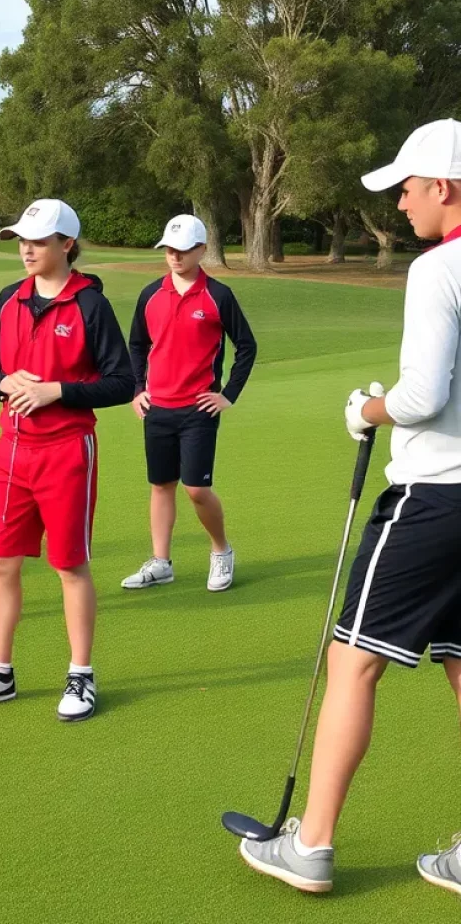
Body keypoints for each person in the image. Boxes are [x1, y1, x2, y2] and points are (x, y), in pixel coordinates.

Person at [238, 118, 461, 896]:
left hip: (434, 497)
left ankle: (312, 846)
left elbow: (424, 397)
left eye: (407, 187)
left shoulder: (439, 271)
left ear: (444, 188)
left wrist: (366, 409)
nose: (400, 203)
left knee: (354, 659)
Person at [0, 199, 134, 722]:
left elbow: (121, 382)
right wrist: (3, 382)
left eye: (38, 240)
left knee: (70, 565)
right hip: (11, 452)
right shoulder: (9, 300)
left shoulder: (92, 307)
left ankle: (80, 675)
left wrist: (58, 391)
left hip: (68, 451)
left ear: (66, 244)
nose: (26, 248)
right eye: (21, 240)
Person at [121, 215, 256, 593]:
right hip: (157, 407)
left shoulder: (218, 296)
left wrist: (227, 394)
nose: (174, 256)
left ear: (201, 250)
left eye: (182, 250)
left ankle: (221, 551)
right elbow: (136, 345)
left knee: (195, 488)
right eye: (169, 249)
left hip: (199, 409)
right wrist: (137, 389)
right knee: (161, 485)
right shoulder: (150, 294)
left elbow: (246, 346)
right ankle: (161, 562)